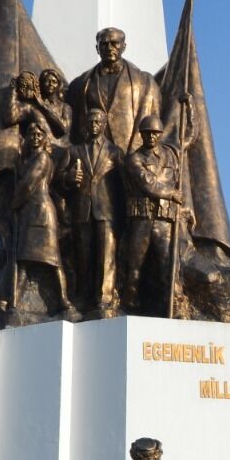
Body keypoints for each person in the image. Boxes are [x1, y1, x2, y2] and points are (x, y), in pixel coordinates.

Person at [61, 104, 124, 316]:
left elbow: (124, 185)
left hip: (106, 211)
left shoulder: (115, 153)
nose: (94, 125)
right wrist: (69, 179)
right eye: (90, 122)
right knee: (83, 257)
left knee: (106, 256)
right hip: (82, 210)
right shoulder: (74, 151)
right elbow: (60, 180)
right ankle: (84, 298)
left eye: (98, 122)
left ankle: (104, 299)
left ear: (105, 125)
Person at [65, 26, 163, 156]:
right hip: (94, 159)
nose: (109, 48)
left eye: (115, 43)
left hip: (131, 156)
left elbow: (154, 120)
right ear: (97, 49)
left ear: (124, 46)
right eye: (104, 44)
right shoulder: (80, 84)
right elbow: (73, 126)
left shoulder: (145, 82)